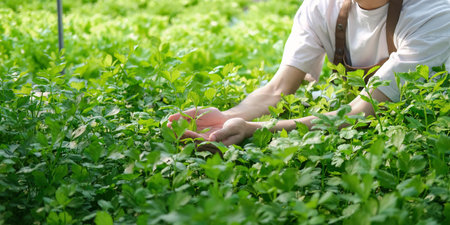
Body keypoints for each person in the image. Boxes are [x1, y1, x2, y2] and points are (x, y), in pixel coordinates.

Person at [168, 0, 450, 146]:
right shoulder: (321, 7)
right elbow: (277, 89)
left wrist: (256, 130)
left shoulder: (434, 14)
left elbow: (362, 111)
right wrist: (229, 117)